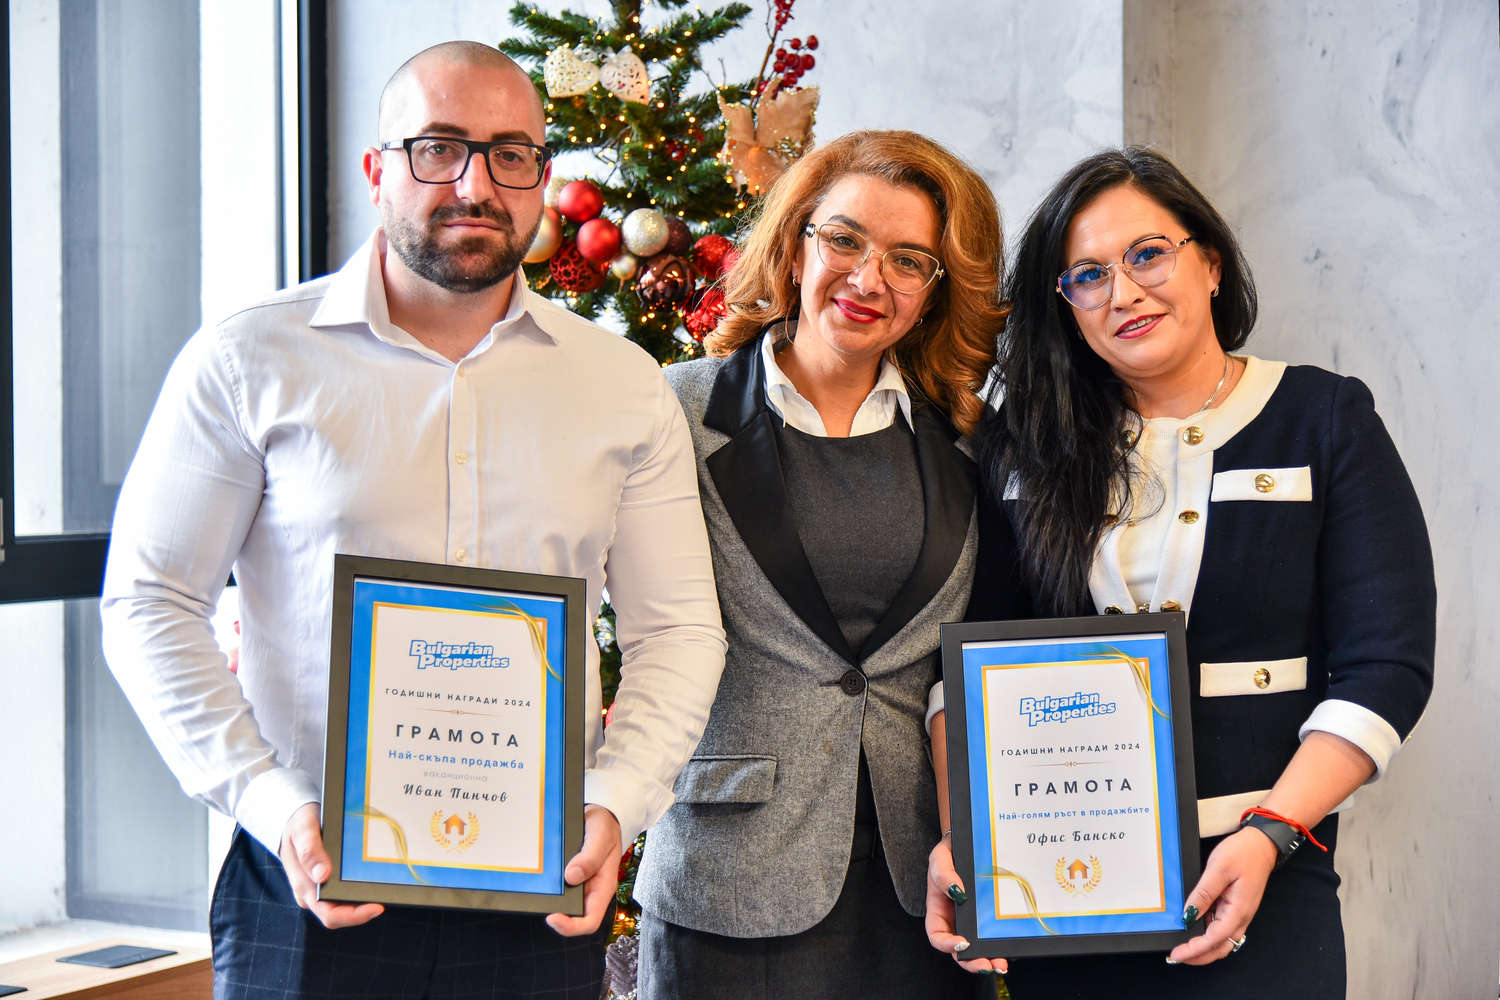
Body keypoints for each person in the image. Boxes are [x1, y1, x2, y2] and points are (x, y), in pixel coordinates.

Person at [100, 41, 726, 1000]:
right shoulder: (248, 360)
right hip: (305, 887)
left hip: (540, 895)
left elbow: (678, 630)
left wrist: (615, 802)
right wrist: (268, 800)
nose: (475, 185)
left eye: (510, 155)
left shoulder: (623, 387)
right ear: (376, 168)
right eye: (438, 148)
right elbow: (149, 601)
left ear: (542, 177)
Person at [925, 146, 1435, 998]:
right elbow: (964, 667)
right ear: (1067, 307)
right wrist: (967, 839)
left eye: (1147, 255)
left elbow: (1387, 667)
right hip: (1065, 893)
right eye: (1087, 276)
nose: (1122, 292)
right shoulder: (1024, 447)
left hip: (1266, 878)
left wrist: (1271, 831)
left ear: (1211, 262)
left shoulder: (1323, 419)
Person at [631, 130, 1007, 999]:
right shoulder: (673, 410)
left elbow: (985, 649)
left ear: (936, 289)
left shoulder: (971, 439)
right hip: (731, 879)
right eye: (844, 240)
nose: (869, 280)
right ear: (795, 245)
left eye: (909, 261)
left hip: (927, 887)